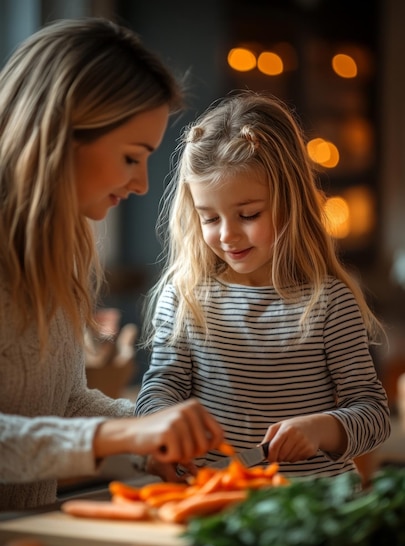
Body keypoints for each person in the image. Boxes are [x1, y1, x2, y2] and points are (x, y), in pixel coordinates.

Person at [0, 17, 223, 511]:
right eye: (131, 157)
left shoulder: (56, 251)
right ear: (61, 136)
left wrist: (147, 440)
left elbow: (62, 407)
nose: (143, 183)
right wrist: (122, 432)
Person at [135, 91, 391, 483]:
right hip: (215, 497)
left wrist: (321, 428)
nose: (227, 235)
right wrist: (157, 436)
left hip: (314, 505)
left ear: (290, 201)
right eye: (209, 218)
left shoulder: (328, 303)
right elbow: (161, 387)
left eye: (249, 214)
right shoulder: (185, 296)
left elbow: (372, 414)